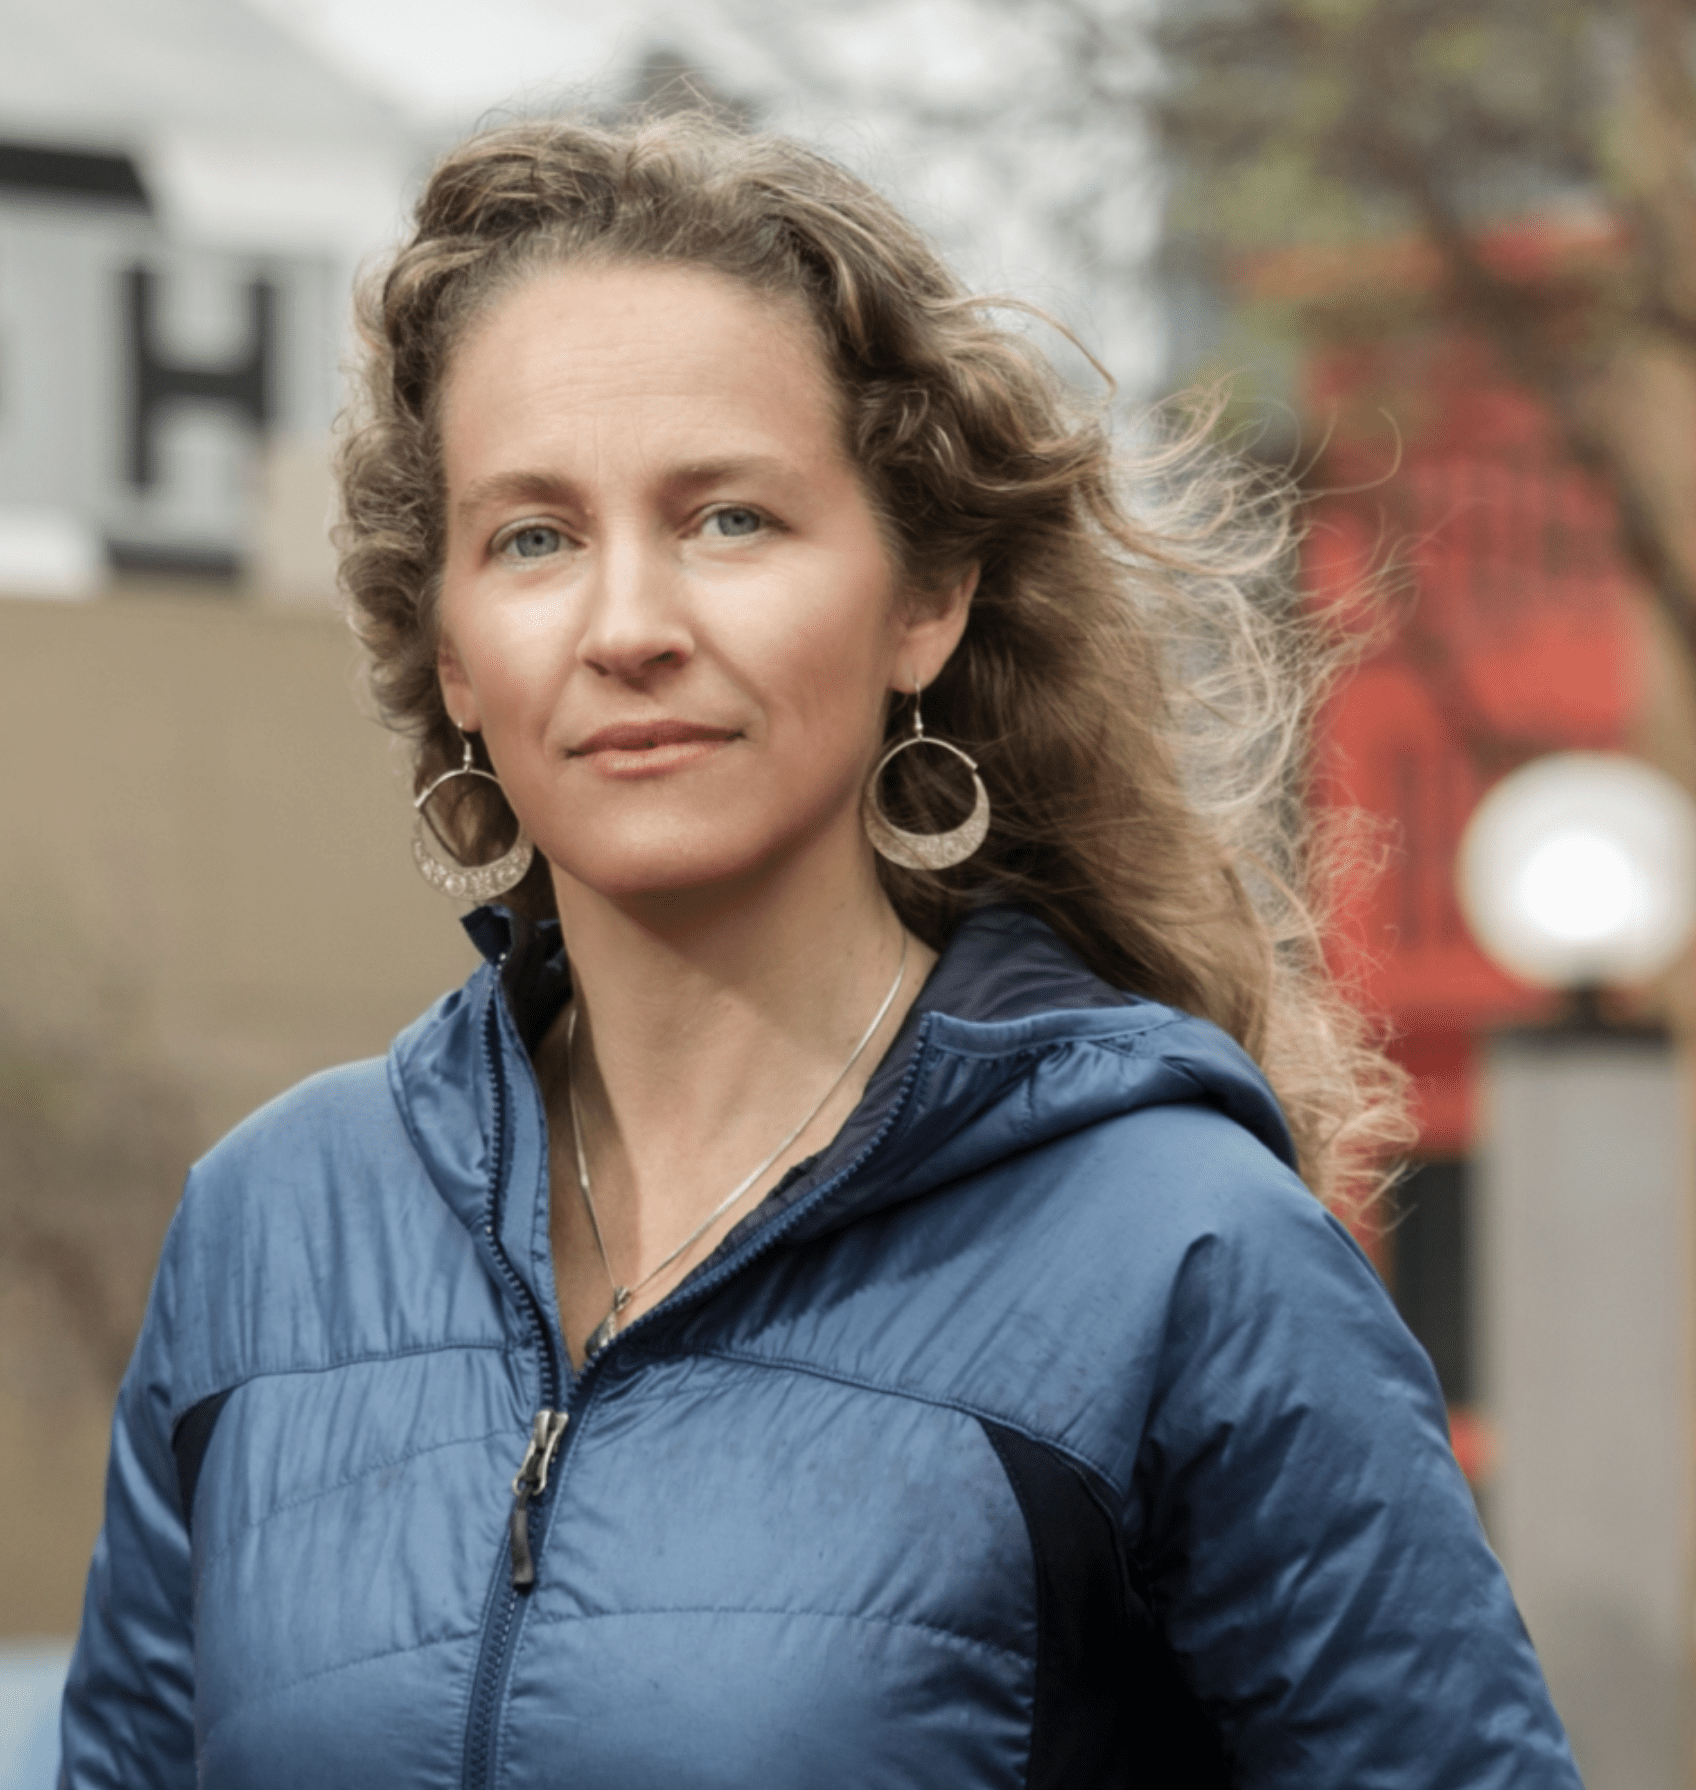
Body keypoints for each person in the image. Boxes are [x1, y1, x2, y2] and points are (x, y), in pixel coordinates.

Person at [60, 112, 1580, 1788]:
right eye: (535, 537)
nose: (629, 625)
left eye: (729, 520)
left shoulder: (1183, 1255)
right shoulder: (269, 1233)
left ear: (922, 602)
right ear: (455, 653)